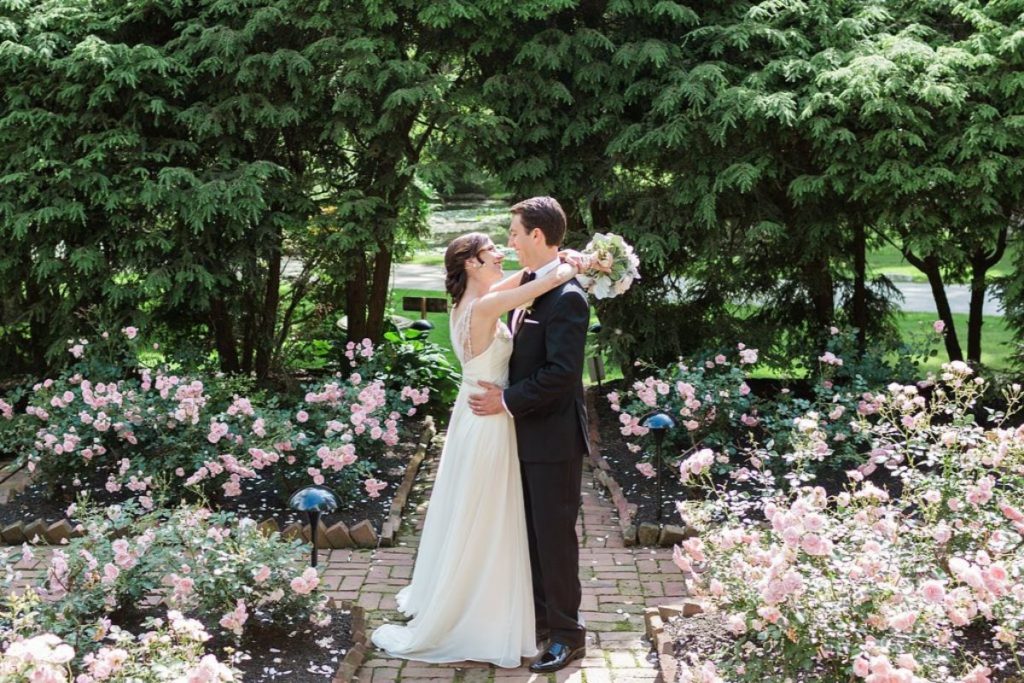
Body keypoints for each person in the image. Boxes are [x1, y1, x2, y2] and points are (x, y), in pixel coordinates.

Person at [370, 227, 583, 668]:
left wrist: (568, 260)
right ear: (470, 263)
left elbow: (527, 277)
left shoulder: (474, 299)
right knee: (488, 514)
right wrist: (574, 264)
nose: (502, 254)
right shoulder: (485, 305)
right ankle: (486, 609)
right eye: (491, 252)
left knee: (479, 512)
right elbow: (542, 282)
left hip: (480, 417)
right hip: (489, 422)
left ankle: (510, 607)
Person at [468, 196, 590, 674]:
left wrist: (507, 400)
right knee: (533, 537)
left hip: (553, 439)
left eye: (516, 233)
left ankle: (568, 635)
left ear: (537, 236)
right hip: (522, 437)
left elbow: (562, 373)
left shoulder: (568, 298)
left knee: (555, 538)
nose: (511, 242)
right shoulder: (537, 287)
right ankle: (540, 621)